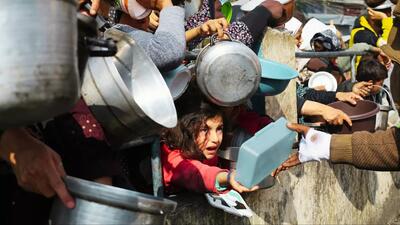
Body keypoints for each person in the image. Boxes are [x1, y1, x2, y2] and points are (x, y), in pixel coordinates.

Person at [161, 106, 259, 193]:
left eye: (219, 128)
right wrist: (227, 177)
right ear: (187, 131)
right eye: (204, 129)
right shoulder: (172, 159)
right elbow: (197, 174)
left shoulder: (207, 153)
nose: (215, 139)